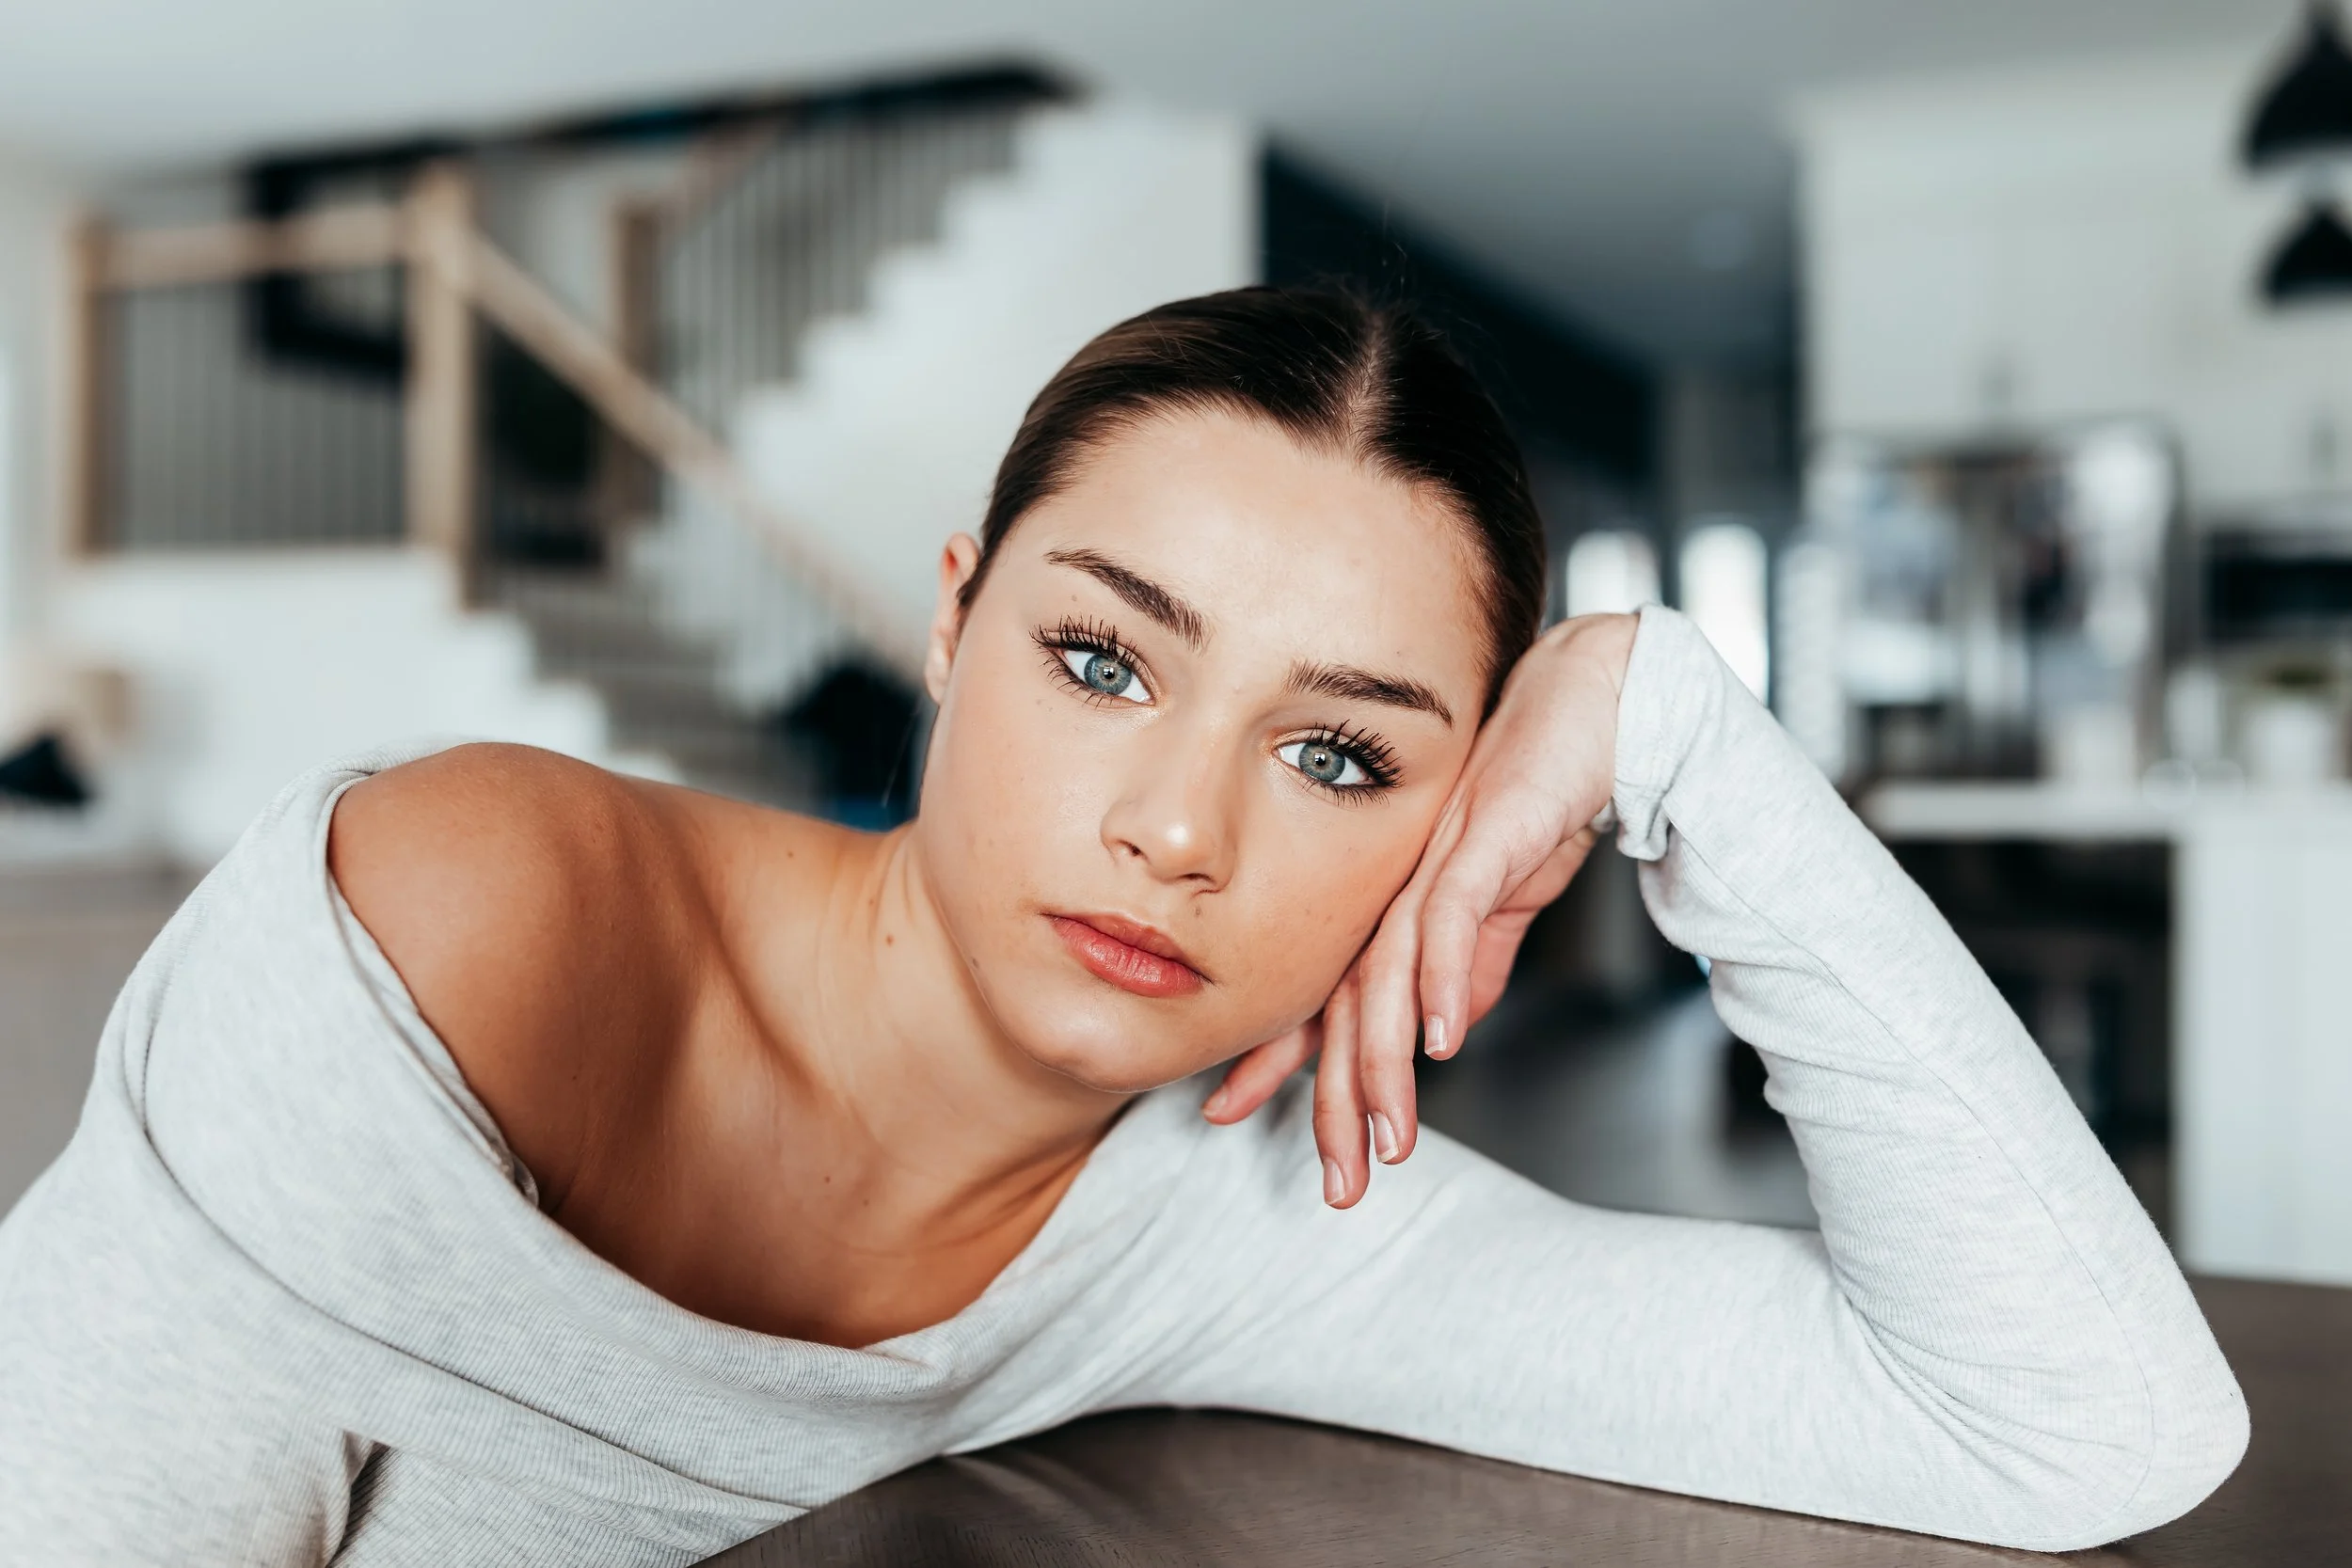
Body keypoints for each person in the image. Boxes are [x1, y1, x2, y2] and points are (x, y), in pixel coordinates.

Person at [0, 288, 2245, 1564]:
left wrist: (1670, 725)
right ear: (956, 621)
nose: (1178, 824)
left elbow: (2071, 1425)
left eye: (1343, 754)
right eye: (1102, 659)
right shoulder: (455, 930)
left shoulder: (1261, 1211)